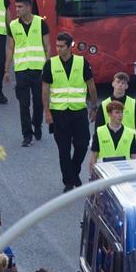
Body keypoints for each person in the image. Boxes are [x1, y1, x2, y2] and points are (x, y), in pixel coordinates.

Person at [42, 32, 98, 192]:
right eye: (57, 46)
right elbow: (45, 88)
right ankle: (68, 181)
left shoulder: (82, 62)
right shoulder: (50, 64)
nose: (58, 49)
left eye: (61, 46)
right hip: (58, 113)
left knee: (82, 144)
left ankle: (74, 172)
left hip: (78, 111)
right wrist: (47, 111)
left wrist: (94, 107)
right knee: (64, 149)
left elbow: (91, 85)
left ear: (69, 47)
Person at [4, 0, 51, 147]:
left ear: (28, 7)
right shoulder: (13, 25)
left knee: (38, 102)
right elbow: (10, 48)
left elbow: (47, 46)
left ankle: (37, 124)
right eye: (16, 7)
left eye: (20, 7)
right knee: (23, 104)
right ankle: (27, 135)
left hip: (38, 70)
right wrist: (6, 70)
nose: (16, 9)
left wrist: (48, 67)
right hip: (21, 70)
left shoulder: (41, 23)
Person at [94, 71, 136, 152]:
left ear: (126, 86)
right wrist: (95, 150)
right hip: (109, 148)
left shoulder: (134, 105)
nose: (120, 85)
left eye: (123, 83)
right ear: (113, 84)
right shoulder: (103, 106)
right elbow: (97, 131)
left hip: (129, 147)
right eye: (118, 82)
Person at [89, 99, 136, 170]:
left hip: (124, 172)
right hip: (105, 172)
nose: (120, 115)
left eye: (121, 112)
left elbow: (134, 158)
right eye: (117, 112)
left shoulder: (130, 133)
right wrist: (92, 174)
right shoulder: (99, 132)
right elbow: (93, 157)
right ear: (109, 114)